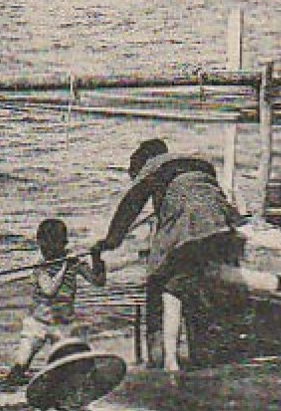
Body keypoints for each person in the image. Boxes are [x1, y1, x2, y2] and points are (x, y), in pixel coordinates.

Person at [97, 140, 242, 371]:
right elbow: (206, 196)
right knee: (198, 285)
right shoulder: (198, 162)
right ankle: (202, 355)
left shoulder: (152, 165)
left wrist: (110, 242)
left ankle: (161, 358)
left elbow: (130, 206)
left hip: (190, 223)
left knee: (159, 280)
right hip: (221, 224)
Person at [5, 217, 105, 384]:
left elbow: (98, 281)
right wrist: (65, 266)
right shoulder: (39, 264)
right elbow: (49, 290)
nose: (46, 252)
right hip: (37, 323)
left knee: (67, 370)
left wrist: (96, 258)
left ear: (62, 244)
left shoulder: (75, 261)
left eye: (50, 247)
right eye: (42, 247)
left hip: (63, 325)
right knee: (20, 365)